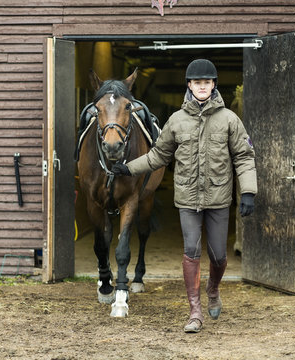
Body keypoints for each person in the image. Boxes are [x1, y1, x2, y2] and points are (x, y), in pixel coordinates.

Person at [111, 59, 257, 333]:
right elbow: (158, 155)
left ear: (213, 85)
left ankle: (213, 289)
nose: (202, 87)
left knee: (218, 257)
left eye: (207, 82)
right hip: (188, 199)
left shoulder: (229, 120)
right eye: (197, 83)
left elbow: (244, 157)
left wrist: (248, 191)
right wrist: (129, 168)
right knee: (190, 252)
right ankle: (195, 312)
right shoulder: (176, 121)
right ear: (189, 86)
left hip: (218, 198)